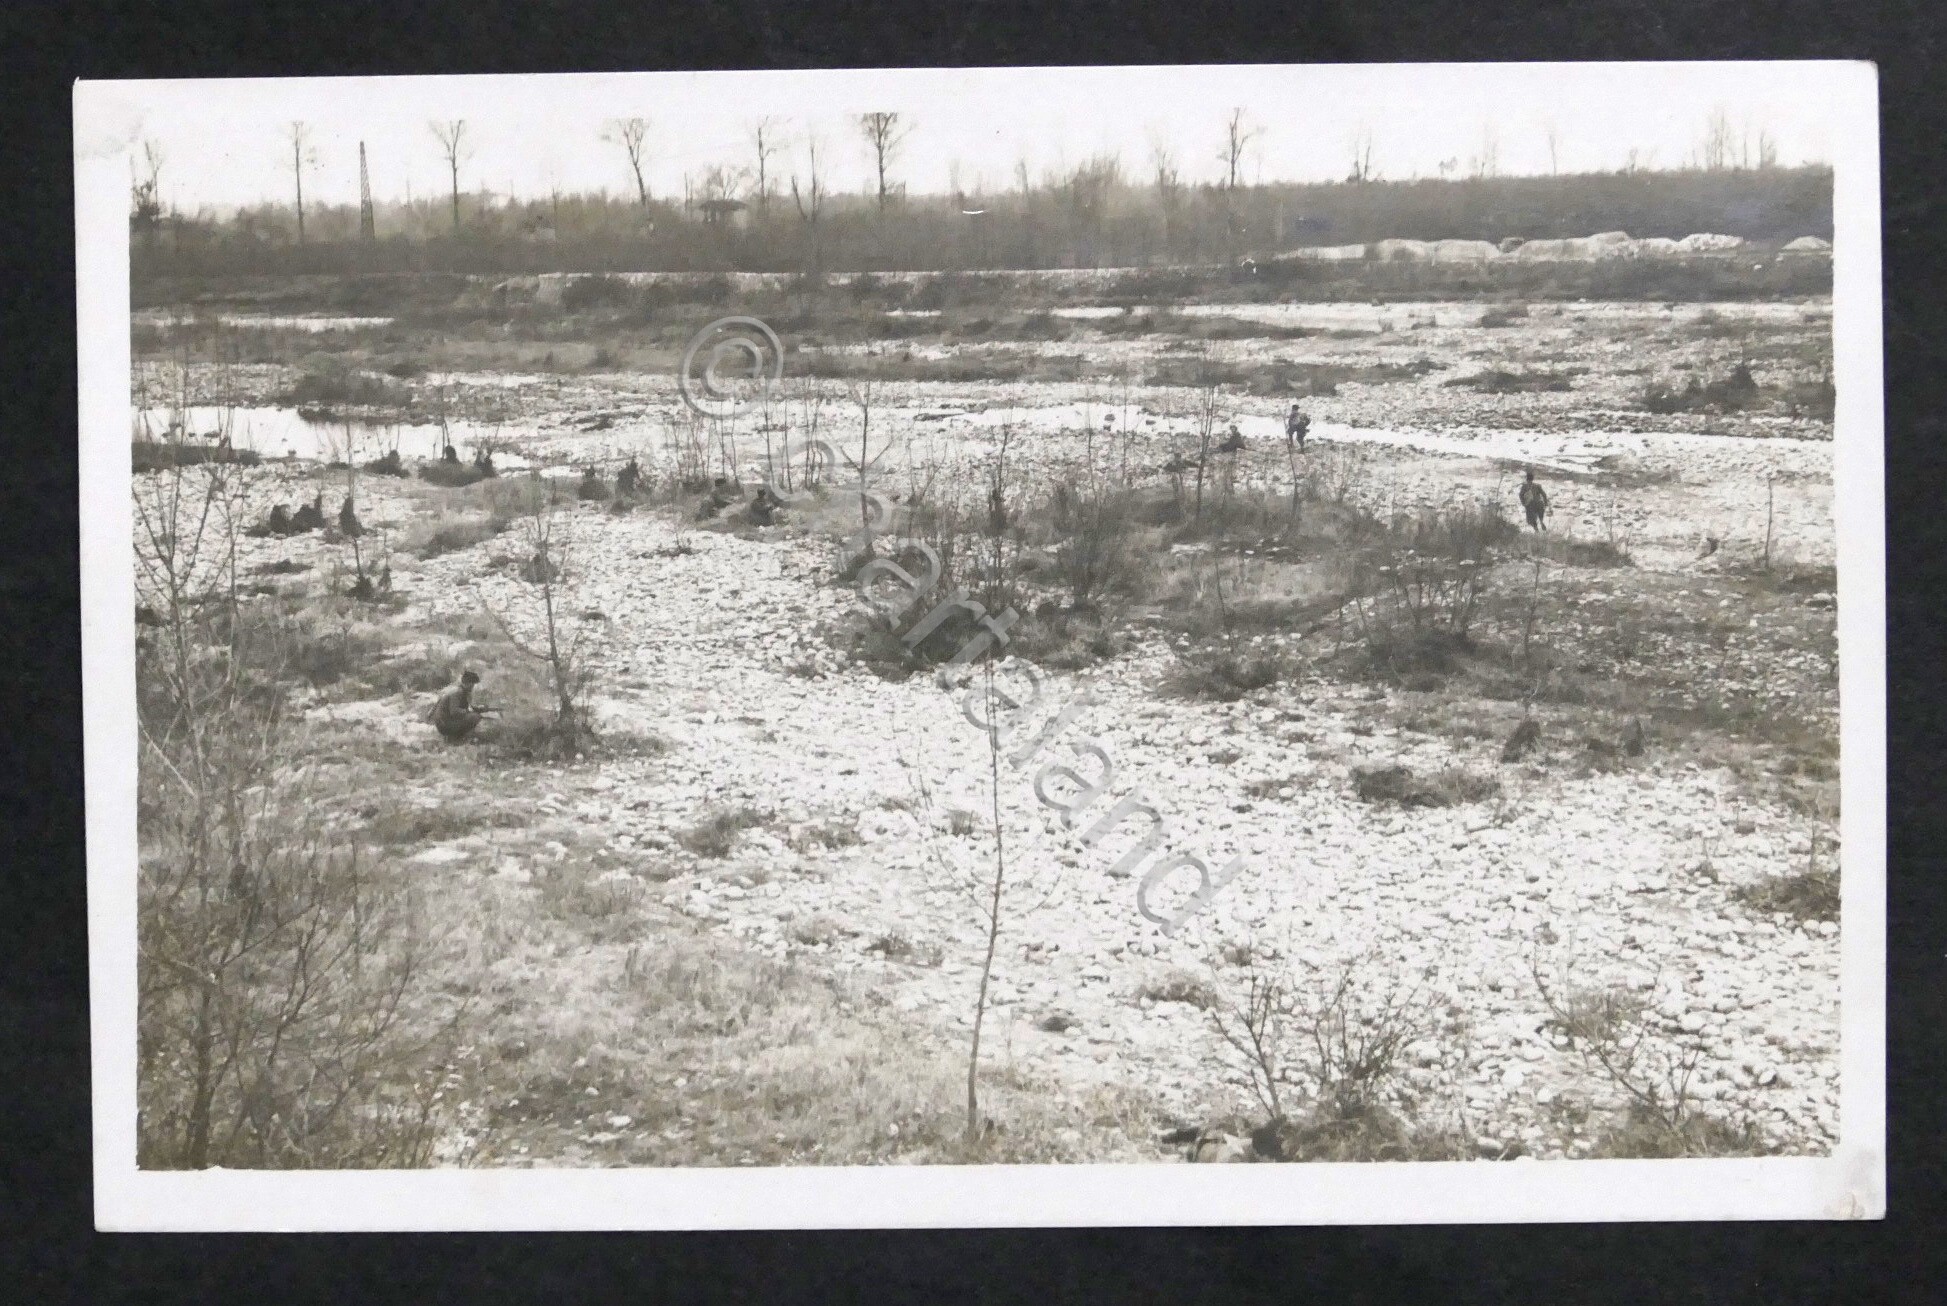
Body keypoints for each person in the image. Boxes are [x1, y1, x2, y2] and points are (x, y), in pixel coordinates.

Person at [428, 669, 490, 742]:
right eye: (472, 684)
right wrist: (468, 711)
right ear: (467, 683)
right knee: (475, 717)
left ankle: (457, 736)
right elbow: (454, 712)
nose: (472, 687)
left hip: (445, 721)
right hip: (444, 724)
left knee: (473, 715)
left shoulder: (459, 690)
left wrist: (477, 708)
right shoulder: (457, 692)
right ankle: (456, 737)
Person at [1518, 468, 1550, 532]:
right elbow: (1544, 494)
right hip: (1539, 503)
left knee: (1531, 518)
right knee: (1540, 515)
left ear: (1527, 479)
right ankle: (1541, 521)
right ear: (1532, 479)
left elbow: (1520, 495)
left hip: (1530, 504)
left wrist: (1523, 503)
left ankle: (1536, 529)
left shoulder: (1524, 486)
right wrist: (1546, 503)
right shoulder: (1537, 486)